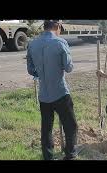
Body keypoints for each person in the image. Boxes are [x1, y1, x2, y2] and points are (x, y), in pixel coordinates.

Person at [26, 20, 78, 160]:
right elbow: (68, 68)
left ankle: (48, 157)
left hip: (43, 95)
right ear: (57, 26)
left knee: (46, 128)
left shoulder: (32, 44)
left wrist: (42, 73)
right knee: (71, 125)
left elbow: (31, 70)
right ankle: (70, 155)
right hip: (60, 92)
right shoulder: (60, 43)